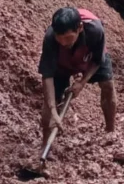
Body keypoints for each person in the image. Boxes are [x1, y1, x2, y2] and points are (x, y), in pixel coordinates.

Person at [39, 7, 116, 139]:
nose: (63, 43)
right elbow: (48, 75)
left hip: (89, 55)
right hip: (62, 62)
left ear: (80, 28)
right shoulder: (50, 38)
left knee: (108, 85)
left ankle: (110, 131)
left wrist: (81, 83)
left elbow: (97, 61)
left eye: (68, 38)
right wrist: (52, 109)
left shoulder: (95, 30)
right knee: (49, 103)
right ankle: (45, 144)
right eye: (60, 38)